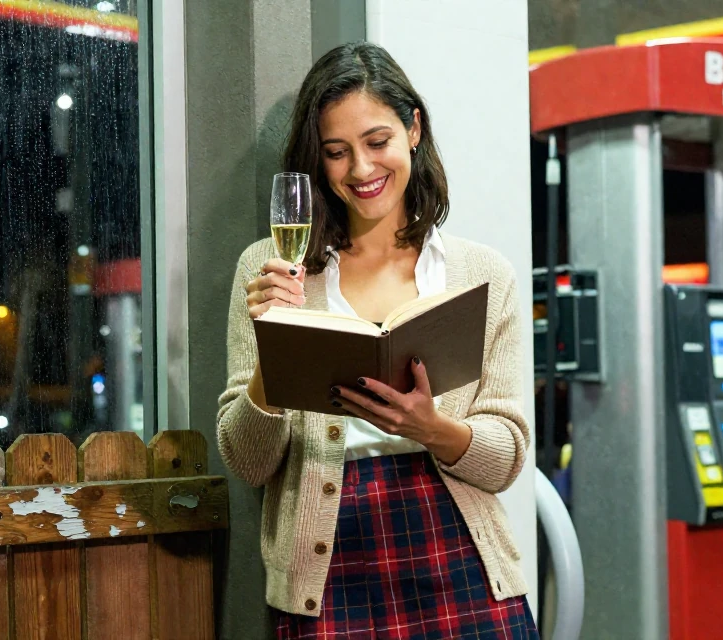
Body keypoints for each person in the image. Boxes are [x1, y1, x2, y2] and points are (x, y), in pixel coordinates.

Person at [217, 42, 537, 639]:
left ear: (413, 129)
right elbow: (249, 461)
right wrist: (273, 348)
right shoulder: (269, 268)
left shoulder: (482, 273)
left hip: (458, 555)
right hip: (326, 564)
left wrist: (432, 428)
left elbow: (509, 456)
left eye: (377, 142)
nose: (361, 170)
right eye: (337, 153)